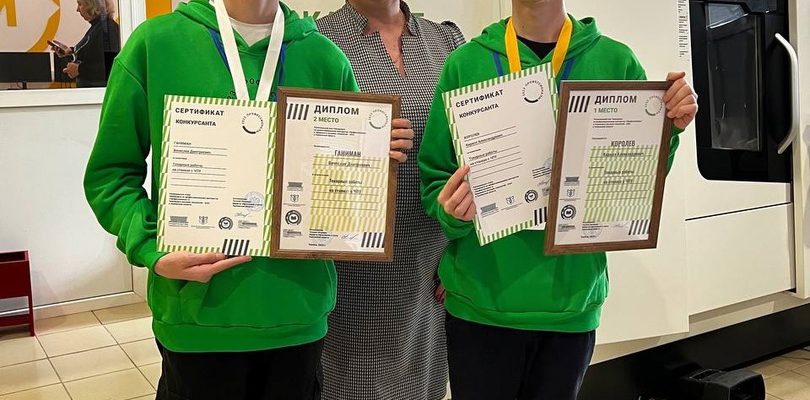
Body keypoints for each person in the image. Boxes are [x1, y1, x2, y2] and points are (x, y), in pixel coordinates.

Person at [83, 0, 412, 399]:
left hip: (297, 317)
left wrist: (373, 155)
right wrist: (151, 247)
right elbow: (111, 176)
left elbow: (342, 187)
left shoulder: (324, 57)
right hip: (196, 319)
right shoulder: (156, 44)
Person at [418, 0, 698, 399]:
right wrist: (451, 212)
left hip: (571, 306)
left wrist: (669, 128)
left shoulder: (616, 61)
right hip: (480, 303)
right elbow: (434, 178)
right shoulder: (465, 64)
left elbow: (637, 179)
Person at [315, 2, 463, 399]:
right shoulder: (317, 41)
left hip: (433, 268)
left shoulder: (446, 40)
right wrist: (357, 146)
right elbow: (291, 153)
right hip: (351, 272)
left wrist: (462, 254)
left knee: (425, 388)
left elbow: (473, 154)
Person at [51, 0, 120, 87]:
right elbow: (93, 55)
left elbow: (111, 67)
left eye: (80, 4)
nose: (77, 9)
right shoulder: (98, 27)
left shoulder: (108, 29)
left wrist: (80, 70)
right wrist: (70, 52)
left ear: (92, 5)